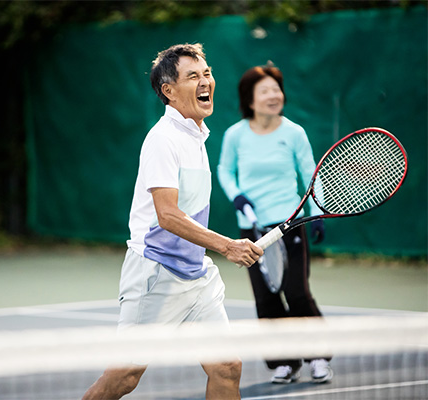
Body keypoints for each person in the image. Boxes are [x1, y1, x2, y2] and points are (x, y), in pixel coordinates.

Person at [82, 44, 263, 400]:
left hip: (196, 275)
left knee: (227, 367)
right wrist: (228, 245)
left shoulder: (196, 135)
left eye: (207, 73)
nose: (204, 81)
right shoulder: (163, 140)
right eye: (192, 76)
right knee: (125, 376)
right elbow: (166, 216)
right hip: (156, 273)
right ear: (168, 91)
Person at [217, 62, 333, 385]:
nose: (273, 95)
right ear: (250, 100)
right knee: (266, 298)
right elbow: (225, 170)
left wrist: (318, 212)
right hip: (252, 232)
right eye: (264, 91)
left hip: (290, 223)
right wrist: (237, 196)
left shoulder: (294, 132)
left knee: (296, 292)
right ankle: (284, 362)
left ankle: (319, 356)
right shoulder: (235, 135)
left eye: (276, 89)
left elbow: (311, 174)